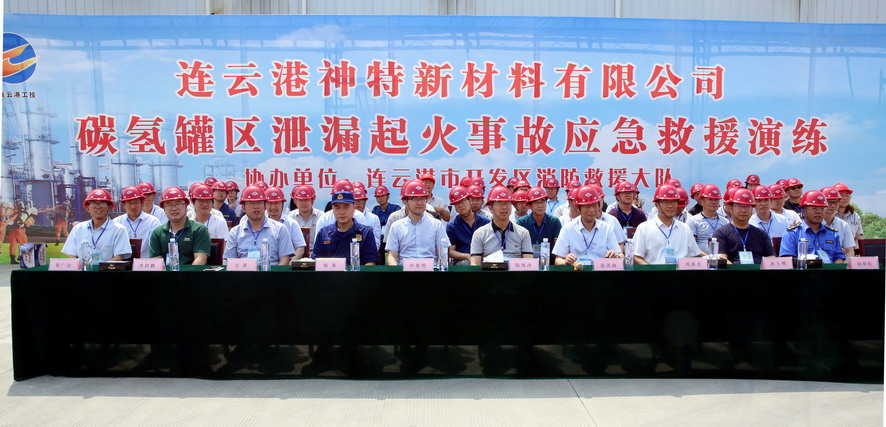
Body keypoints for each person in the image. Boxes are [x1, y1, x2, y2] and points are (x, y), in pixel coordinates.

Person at [634, 184, 705, 264]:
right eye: (666, 202)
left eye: (674, 202)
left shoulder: (685, 229)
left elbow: (695, 253)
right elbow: (636, 257)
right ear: (657, 204)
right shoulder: (644, 228)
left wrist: (711, 258)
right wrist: (652, 270)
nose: (670, 206)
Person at [224, 185, 295, 265]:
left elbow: (284, 261)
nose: (256, 207)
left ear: (265, 206)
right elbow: (230, 262)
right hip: (243, 272)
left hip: (272, 271)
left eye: (259, 203)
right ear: (243, 208)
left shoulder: (280, 229)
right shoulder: (235, 232)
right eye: (251, 203)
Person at [553, 185, 622, 265]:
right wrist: (566, 261)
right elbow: (558, 260)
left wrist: (616, 256)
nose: (592, 210)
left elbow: (620, 255)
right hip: (577, 270)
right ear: (578, 208)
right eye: (587, 206)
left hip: (601, 270)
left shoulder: (606, 228)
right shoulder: (568, 229)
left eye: (594, 205)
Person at [386, 180, 450, 265]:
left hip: (431, 271)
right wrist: (395, 271)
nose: (419, 203)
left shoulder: (436, 225)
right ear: (404, 201)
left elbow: (443, 255)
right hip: (404, 271)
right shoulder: (396, 226)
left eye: (422, 198)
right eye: (414, 199)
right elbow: (392, 256)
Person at [62, 189, 131, 263]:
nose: (98, 207)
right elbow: (72, 255)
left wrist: (98, 268)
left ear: (110, 207)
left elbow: (118, 258)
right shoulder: (78, 229)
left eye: (103, 203)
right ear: (87, 207)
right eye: (93, 203)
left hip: (107, 269)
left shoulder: (118, 229)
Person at [469, 186, 533, 265]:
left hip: (515, 272)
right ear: (490, 208)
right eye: (499, 203)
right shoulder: (480, 234)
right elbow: (475, 264)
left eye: (507, 203)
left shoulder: (523, 233)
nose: (504, 207)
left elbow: (529, 263)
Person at [312, 191, 378, 265]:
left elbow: (370, 262)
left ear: (354, 207)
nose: (342, 212)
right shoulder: (323, 233)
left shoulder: (365, 233)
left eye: (346, 207)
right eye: (337, 207)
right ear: (332, 209)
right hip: (329, 272)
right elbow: (316, 261)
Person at [779, 190, 846, 263]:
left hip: (829, 269)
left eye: (822, 208)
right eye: (813, 208)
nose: (818, 211)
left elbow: (839, 258)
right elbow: (787, 260)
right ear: (803, 211)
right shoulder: (792, 234)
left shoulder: (833, 234)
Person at [149, 187, 210, 265]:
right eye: (169, 204)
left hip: (192, 272)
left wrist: (186, 273)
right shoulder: (157, 232)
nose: (174, 208)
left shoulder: (199, 229)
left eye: (178, 204)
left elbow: (200, 260)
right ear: (164, 208)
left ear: (186, 206)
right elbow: (155, 261)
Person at [712, 188, 775, 264]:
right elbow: (722, 258)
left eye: (748, 206)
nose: (743, 210)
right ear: (731, 208)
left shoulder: (761, 234)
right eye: (739, 206)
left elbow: (771, 257)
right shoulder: (721, 233)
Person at [113, 186, 161, 257]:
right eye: (129, 203)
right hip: (122, 262)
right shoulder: (116, 223)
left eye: (136, 203)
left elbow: (156, 247)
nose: (133, 206)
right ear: (124, 205)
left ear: (142, 203)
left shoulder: (153, 222)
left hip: (146, 262)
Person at [447, 186, 490, 265]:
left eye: (463, 201)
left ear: (470, 201)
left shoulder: (484, 222)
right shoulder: (452, 225)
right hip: (462, 261)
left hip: (483, 259)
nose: (460, 205)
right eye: (457, 203)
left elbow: (490, 245)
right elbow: (451, 251)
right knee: (466, 263)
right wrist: (466, 256)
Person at [517, 187, 562, 258]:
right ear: (529, 205)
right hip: (528, 262)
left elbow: (559, 249)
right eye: (536, 202)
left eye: (542, 201)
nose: (540, 206)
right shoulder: (522, 222)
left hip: (550, 262)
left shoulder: (554, 222)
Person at [265, 187, 307, 259]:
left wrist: (291, 263)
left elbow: (300, 248)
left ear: (282, 204)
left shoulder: (292, 223)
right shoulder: (260, 223)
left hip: (288, 262)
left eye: (277, 203)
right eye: (270, 203)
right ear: (265, 205)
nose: (273, 207)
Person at [687, 184, 728, 249]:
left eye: (716, 200)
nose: (714, 202)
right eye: (710, 199)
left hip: (721, 255)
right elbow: (692, 246)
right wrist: (705, 255)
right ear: (702, 201)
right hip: (700, 255)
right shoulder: (693, 221)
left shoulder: (725, 221)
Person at [821, 187, 856, 257]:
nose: (833, 205)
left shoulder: (844, 225)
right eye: (829, 202)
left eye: (836, 202)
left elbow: (850, 251)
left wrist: (844, 264)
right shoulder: (813, 224)